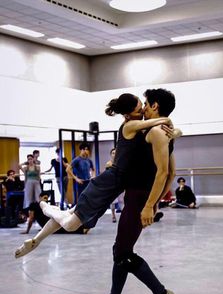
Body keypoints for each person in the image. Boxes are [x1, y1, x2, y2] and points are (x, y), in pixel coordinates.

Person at [15, 92, 173, 258]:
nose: (142, 111)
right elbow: (157, 122)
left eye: (142, 106)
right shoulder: (129, 125)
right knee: (70, 225)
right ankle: (49, 209)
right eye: (139, 108)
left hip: (114, 185)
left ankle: (36, 240)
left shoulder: (138, 127)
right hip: (108, 183)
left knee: (71, 217)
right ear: (128, 114)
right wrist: (167, 121)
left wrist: (174, 132)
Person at [104, 88, 181, 294]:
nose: (143, 107)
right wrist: (154, 200)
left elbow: (165, 173)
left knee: (122, 253)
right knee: (122, 250)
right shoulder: (161, 130)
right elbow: (170, 172)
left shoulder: (157, 132)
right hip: (138, 197)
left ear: (155, 106)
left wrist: (149, 205)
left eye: (146, 103)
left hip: (138, 198)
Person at [20, 191, 89, 235]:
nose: (46, 199)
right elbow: (31, 219)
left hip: (49, 220)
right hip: (46, 222)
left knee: (63, 225)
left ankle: (82, 227)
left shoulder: (47, 205)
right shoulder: (33, 205)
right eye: (44, 198)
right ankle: (82, 229)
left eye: (47, 198)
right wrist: (27, 231)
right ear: (40, 197)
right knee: (61, 228)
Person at [105, 148, 124, 223]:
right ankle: (113, 215)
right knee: (112, 202)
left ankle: (124, 217)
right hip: (112, 184)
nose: (114, 154)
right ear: (111, 155)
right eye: (113, 153)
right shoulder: (108, 164)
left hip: (120, 184)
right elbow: (106, 175)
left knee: (121, 201)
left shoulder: (121, 163)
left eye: (115, 153)